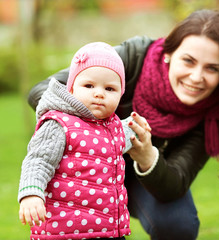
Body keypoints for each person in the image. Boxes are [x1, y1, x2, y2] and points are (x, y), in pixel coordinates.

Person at [26, 9, 219, 240]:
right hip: (82, 166)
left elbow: (175, 183)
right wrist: (93, 132)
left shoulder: (213, 115)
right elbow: (41, 92)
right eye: (188, 61)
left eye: (212, 68)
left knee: (179, 223)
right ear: (169, 53)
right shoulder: (133, 56)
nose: (197, 77)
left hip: (141, 175)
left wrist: (147, 155)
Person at [18, 42, 148, 240]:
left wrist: (140, 130)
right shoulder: (59, 123)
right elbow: (38, 160)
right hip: (64, 231)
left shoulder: (112, 128)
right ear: (71, 88)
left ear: (120, 95)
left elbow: (126, 139)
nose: (99, 93)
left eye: (110, 88)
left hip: (107, 229)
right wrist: (31, 193)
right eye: (89, 85)